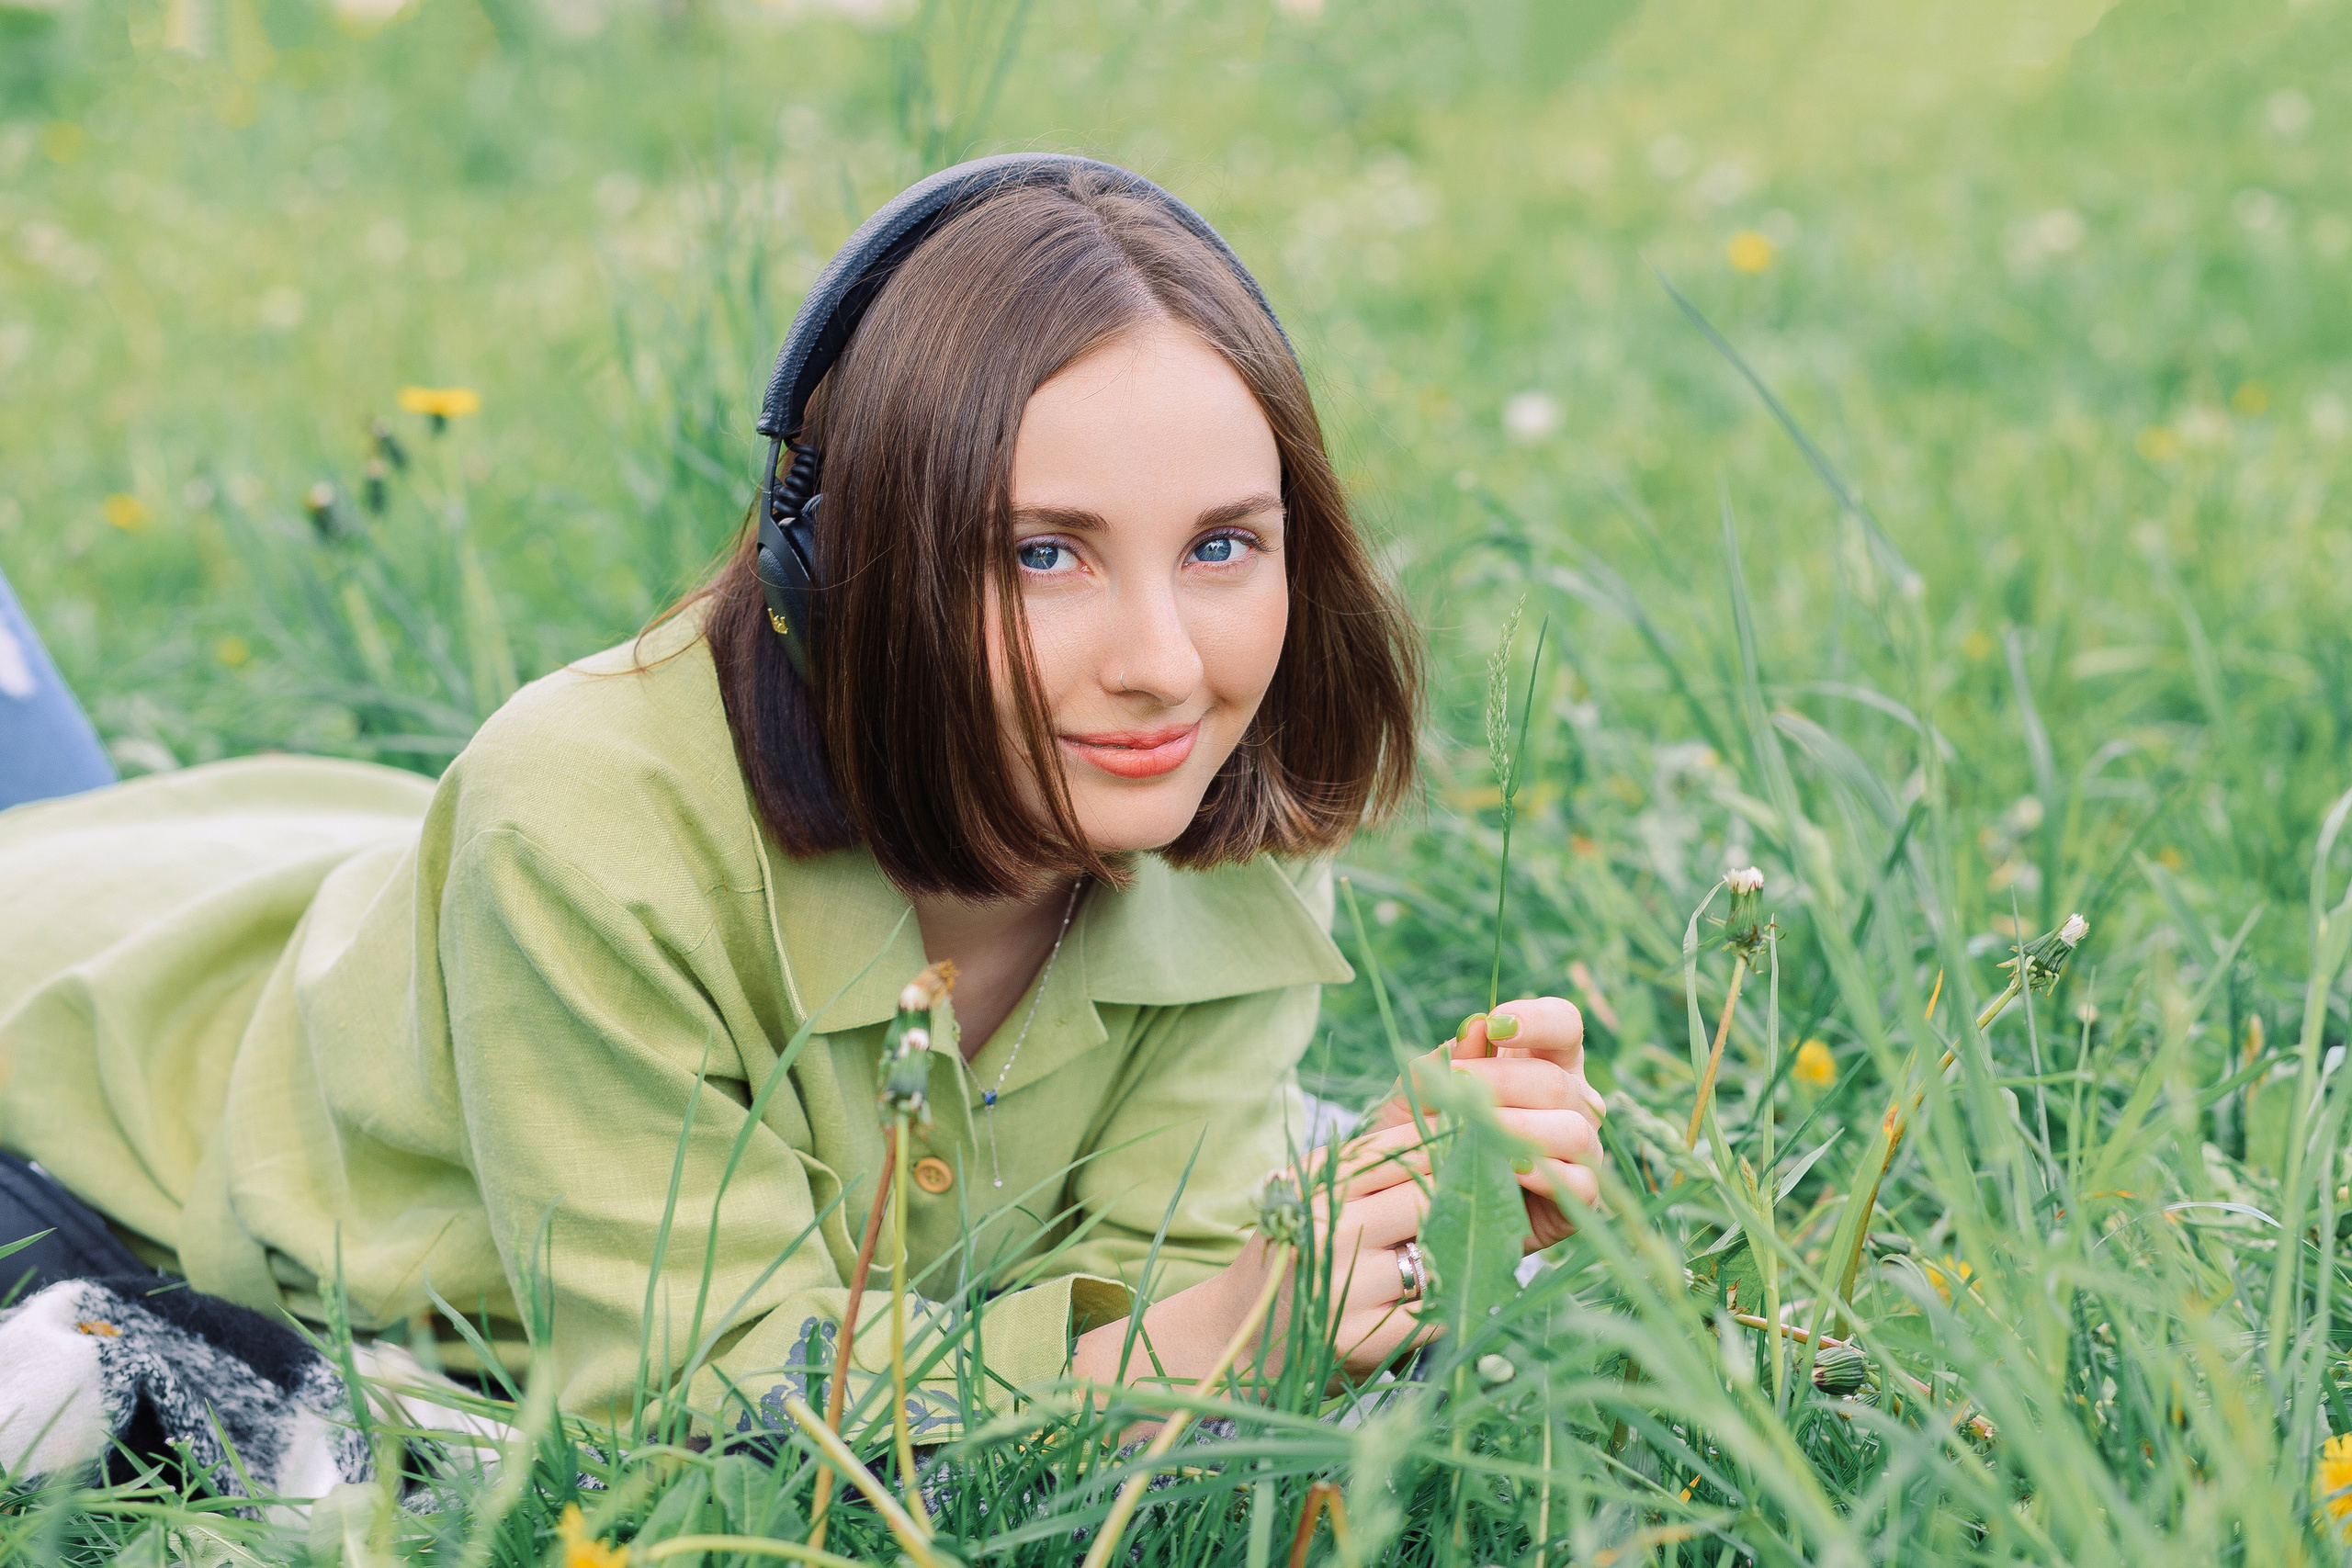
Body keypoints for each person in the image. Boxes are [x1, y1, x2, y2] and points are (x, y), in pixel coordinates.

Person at [0, 158, 1604, 1435]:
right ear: (834, 570)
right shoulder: (575, 822)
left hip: (332, 876)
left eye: (1220, 546)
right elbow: (705, 1390)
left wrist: (1361, 1235)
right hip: (83, 1018)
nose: (1166, 666)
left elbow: (1148, 1285)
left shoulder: (1201, 805)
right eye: (1041, 553)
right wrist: (1214, 1345)